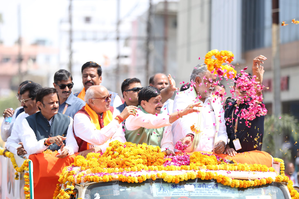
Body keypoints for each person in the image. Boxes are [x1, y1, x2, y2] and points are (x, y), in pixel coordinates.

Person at [125, 86, 201, 154]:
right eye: (156, 102)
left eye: (161, 101)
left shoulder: (163, 115)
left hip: (155, 163)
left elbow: (167, 142)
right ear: (143, 103)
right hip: (133, 162)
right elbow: (153, 121)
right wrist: (181, 113)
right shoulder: (134, 114)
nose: (161, 105)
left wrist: (167, 150)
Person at [172, 65, 228, 154]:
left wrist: (222, 142)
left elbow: (221, 129)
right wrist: (189, 135)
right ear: (198, 81)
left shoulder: (216, 101)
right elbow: (184, 120)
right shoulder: (182, 97)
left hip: (211, 157)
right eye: (210, 81)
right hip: (186, 156)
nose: (213, 85)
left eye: (214, 81)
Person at [73, 85, 137, 155]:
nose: (109, 100)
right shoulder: (80, 117)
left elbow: (120, 139)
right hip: (85, 161)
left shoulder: (113, 112)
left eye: (109, 96)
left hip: (110, 158)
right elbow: (98, 138)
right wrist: (119, 119)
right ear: (91, 101)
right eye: (105, 98)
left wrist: (100, 149)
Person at [225, 55, 266, 156]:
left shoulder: (255, 105)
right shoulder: (229, 108)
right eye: (240, 87)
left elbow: (257, 93)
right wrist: (227, 147)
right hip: (233, 158)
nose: (243, 90)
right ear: (234, 88)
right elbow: (223, 133)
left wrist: (255, 71)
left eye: (246, 87)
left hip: (253, 159)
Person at [20, 88, 78, 157]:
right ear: (40, 105)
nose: (56, 105)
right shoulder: (28, 122)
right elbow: (30, 148)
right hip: (39, 165)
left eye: (57, 102)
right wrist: (47, 142)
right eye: (51, 103)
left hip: (62, 165)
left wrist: (67, 150)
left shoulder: (67, 120)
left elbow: (73, 144)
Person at [5, 82, 42, 156]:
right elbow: (10, 142)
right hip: (27, 164)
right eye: (21, 101)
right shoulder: (21, 117)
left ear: (36, 100)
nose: (22, 105)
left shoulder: (49, 115)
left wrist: (28, 146)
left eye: (25, 101)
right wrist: (18, 149)